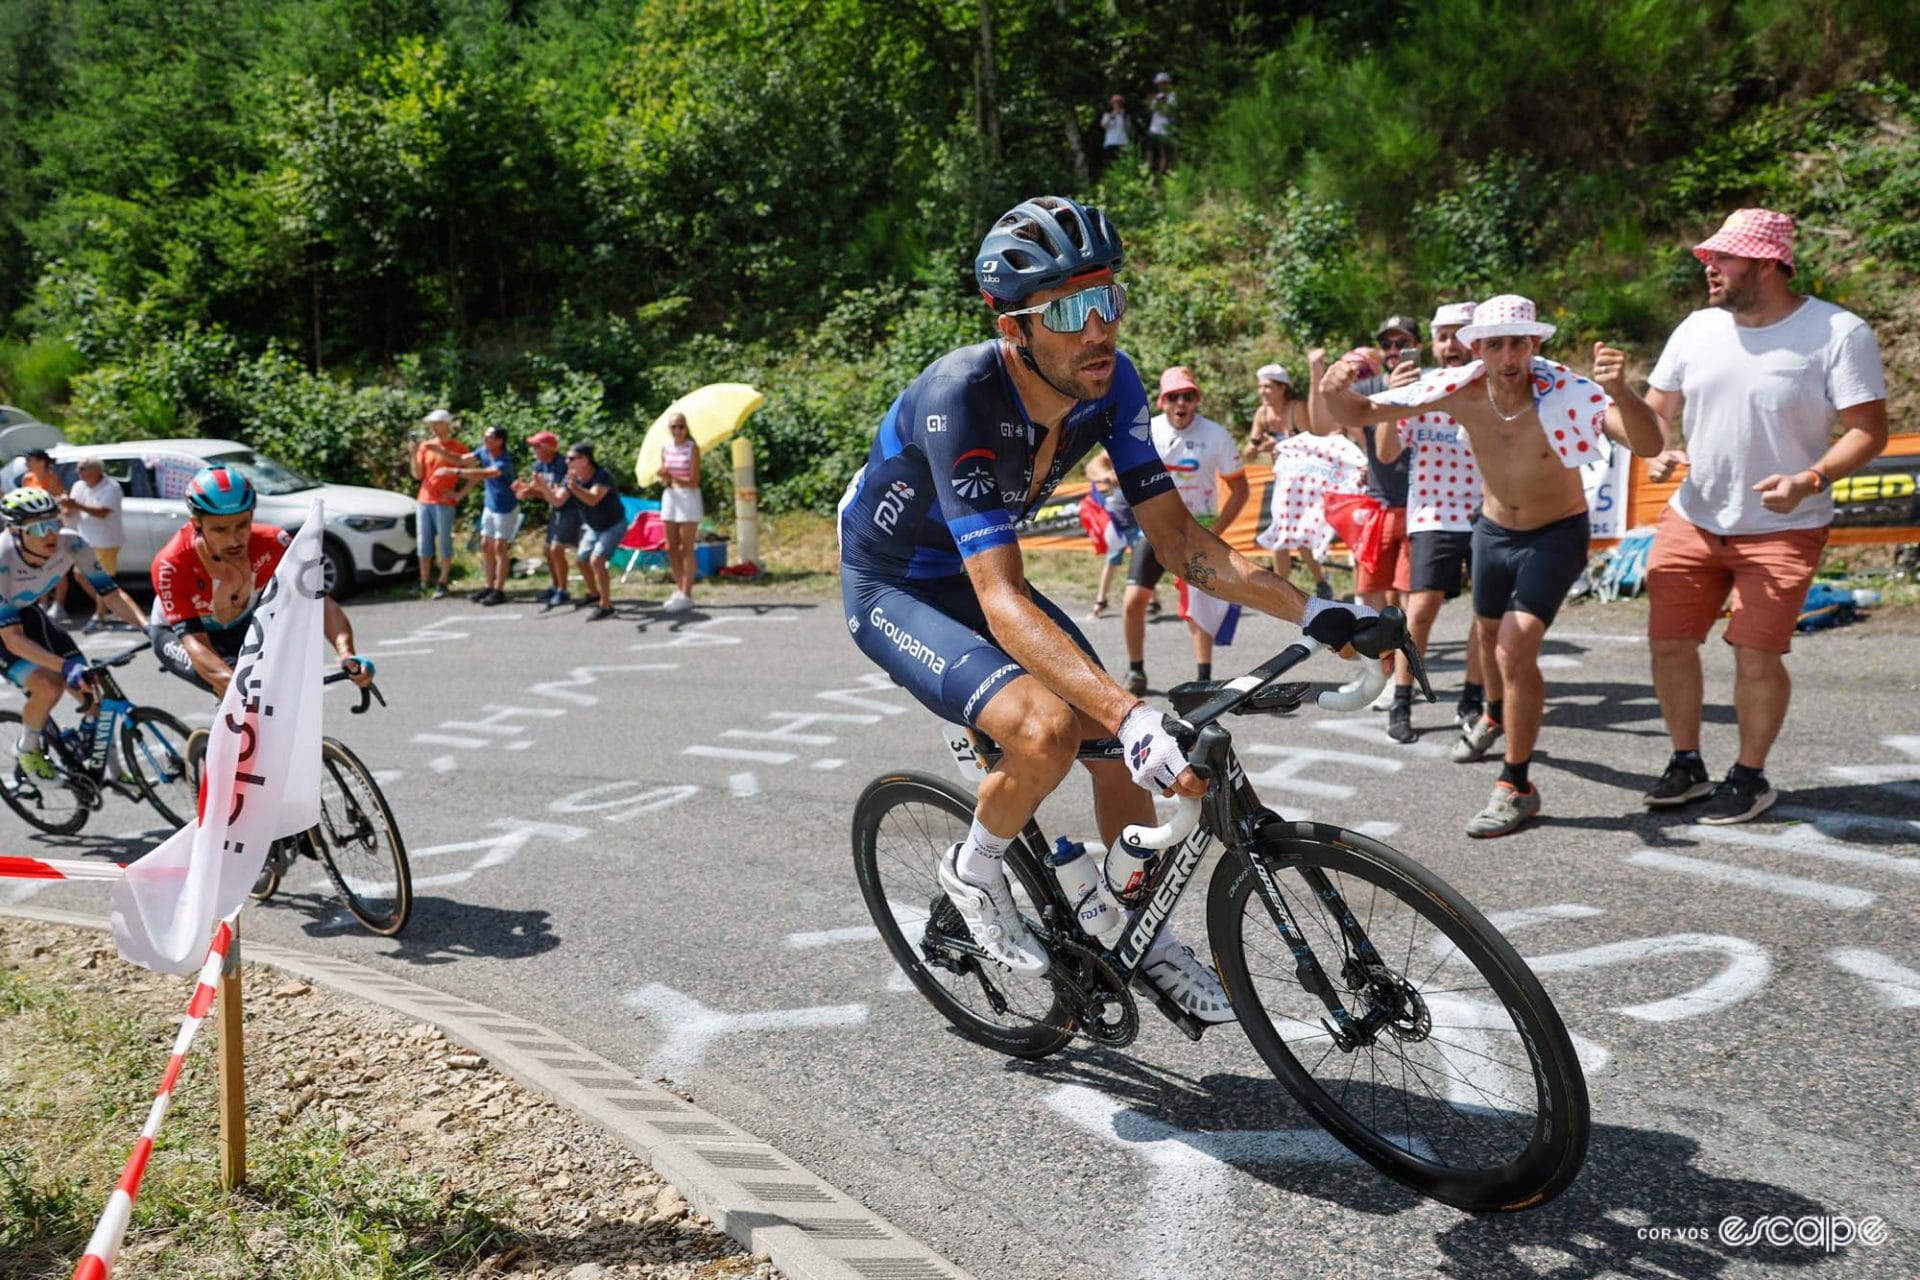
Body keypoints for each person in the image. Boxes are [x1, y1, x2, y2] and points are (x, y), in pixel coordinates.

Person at [835, 195, 1382, 1018]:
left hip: (980, 576)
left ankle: (1140, 934)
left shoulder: (1113, 383)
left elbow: (1181, 543)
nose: (1100, 329)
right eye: (1070, 309)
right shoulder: (960, 397)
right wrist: (1127, 714)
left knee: (1122, 746)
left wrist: (1311, 613)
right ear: (1013, 324)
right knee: (1049, 729)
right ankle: (973, 870)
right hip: (897, 584)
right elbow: (1000, 596)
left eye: (1109, 299)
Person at [1321, 294, 1664, 836]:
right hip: (1494, 531)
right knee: (1486, 639)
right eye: (1496, 344)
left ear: (1535, 345)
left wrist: (1622, 391)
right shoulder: (1460, 389)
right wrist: (1332, 388)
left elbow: (1649, 441)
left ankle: (1516, 783)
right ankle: (1492, 716)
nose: (1509, 356)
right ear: (1475, 348)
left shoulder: (1566, 390)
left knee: (1512, 647)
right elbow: (1360, 414)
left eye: (1519, 343)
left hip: (1556, 534)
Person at [1639, 209, 1888, 824]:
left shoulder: (1838, 331)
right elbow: (1654, 414)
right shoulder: (1696, 328)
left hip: (1785, 525)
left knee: (1755, 655)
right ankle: (1687, 762)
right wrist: (1658, 448)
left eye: (1723, 258)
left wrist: (1812, 478)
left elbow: (1869, 430)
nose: (1710, 268)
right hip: (1693, 517)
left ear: (1767, 263)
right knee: (1669, 644)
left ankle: (1749, 776)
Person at [1371, 302, 1495, 745]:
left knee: (1486, 615)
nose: (1450, 345)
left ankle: (1471, 698)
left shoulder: (1494, 385)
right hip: (1432, 513)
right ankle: (1402, 698)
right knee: (1419, 611)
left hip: (1487, 512)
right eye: (1442, 336)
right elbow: (1386, 454)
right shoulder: (1417, 388)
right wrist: (1390, 400)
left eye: (1459, 335)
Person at [147, 465, 371, 702]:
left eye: (242, 525)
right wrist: (232, 684)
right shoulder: (172, 564)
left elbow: (322, 604)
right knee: (233, 692)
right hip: (179, 636)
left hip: (240, 625)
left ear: (252, 515)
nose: (234, 539)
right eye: (220, 529)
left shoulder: (274, 543)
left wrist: (347, 653)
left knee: (277, 695)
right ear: (196, 524)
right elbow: (195, 642)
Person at [1309, 314, 1424, 710]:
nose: (1394, 351)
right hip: (1379, 506)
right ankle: (1381, 674)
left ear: (1418, 347)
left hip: (1420, 508)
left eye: (1402, 343)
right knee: (1370, 601)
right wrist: (1320, 375)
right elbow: (1323, 425)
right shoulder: (1373, 387)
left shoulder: (1435, 387)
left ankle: (1402, 686)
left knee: (1409, 603)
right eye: (1387, 345)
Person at [0, 489, 149, 780]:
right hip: (4, 630)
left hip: (28, 612)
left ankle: (115, 774)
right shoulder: (2, 560)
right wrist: (64, 666)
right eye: (39, 528)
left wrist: (150, 628)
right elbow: (13, 639)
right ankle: (27, 748)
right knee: (49, 686)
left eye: (54, 522)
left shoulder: (73, 544)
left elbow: (112, 594)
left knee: (89, 689)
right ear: (17, 532)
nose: (50, 534)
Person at [1120, 367, 1248, 693]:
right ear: (1163, 401)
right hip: (1155, 527)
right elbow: (1105, 465)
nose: (1181, 403)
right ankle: (1136, 671)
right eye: (1174, 396)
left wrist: (1216, 530)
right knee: (1134, 601)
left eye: (1188, 396)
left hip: (1198, 527)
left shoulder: (1216, 435)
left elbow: (1241, 490)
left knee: (1197, 604)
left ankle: (1203, 681)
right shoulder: (1146, 431)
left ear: (1196, 401)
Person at [1243, 363, 1330, 600]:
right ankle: (1284, 587)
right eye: (1261, 387)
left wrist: (1280, 444)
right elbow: (1249, 451)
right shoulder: (1262, 414)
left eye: (1268, 387)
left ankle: (1320, 580)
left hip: (1305, 480)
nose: (1263, 392)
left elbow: (1310, 443)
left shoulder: (1296, 408)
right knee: (1281, 530)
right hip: (1282, 479)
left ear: (1283, 388)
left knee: (1297, 534)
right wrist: (1255, 445)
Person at [439, 426, 518, 606]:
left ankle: (499, 590)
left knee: (500, 547)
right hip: (490, 506)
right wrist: (436, 449)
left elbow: (485, 474)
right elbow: (460, 459)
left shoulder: (504, 461)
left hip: (505, 508)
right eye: (485, 436)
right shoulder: (483, 451)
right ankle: (489, 586)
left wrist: (454, 472)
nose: (485, 440)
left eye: (489, 437)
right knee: (485, 545)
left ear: (500, 441)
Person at [409, 409, 470, 599]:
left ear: (446, 425)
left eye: (436, 423)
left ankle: (442, 582)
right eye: (431, 424)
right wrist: (413, 453)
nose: (432, 427)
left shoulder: (458, 447)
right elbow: (418, 475)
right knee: (423, 543)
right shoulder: (426, 446)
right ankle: (423, 582)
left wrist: (459, 493)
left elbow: (472, 471)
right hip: (424, 499)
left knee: (445, 542)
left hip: (444, 501)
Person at [61, 457, 127, 632]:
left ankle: (99, 615)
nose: (78, 472)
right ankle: (109, 605)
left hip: (106, 540)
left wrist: (76, 505)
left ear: (95, 470)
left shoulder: (111, 487)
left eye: (82, 468)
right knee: (80, 576)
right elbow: (73, 509)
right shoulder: (78, 486)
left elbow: (102, 513)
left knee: (101, 579)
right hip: (85, 540)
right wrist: (67, 508)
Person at [515, 431, 578, 608]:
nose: (534, 450)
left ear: (550, 448)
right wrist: (525, 492)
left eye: (538, 446)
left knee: (556, 549)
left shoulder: (562, 465)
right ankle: (556, 585)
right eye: (533, 446)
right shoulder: (539, 465)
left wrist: (540, 491)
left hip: (571, 509)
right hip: (556, 509)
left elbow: (559, 494)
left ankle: (563, 590)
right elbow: (541, 492)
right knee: (547, 550)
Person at [1083, 447, 1145, 619]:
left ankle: (1153, 601)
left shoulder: (1140, 467)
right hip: (1118, 525)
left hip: (1136, 525)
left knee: (1142, 563)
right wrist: (1104, 476)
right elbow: (1092, 467)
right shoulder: (1110, 469)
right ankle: (1101, 601)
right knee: (1110, 563)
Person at [565, 442, 623, 621]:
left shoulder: (601, 476)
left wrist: (575, 488)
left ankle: (606, 606)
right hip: (594, 526)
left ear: (585, 460)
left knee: (596, 561)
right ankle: (594, 594)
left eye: (572, 458)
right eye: (567, 458)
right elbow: (558, 499)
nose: (568, 462)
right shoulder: (572, 477)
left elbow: (593, 499)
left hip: (613, 525)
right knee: (582, 560)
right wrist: (536, 490)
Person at [653, 412, 703, 614]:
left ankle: (687, 592)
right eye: (674, 427)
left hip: (688, 497)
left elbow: (694, 479)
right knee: (671, 546)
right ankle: (680, 588)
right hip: (671, 496)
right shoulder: (665, 448)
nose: (678, 431)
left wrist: (671, 476)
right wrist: (664, 477)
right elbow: (665, 480)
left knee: (686, 547)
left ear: (687, 428)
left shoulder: (693, 449)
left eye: (681, 427)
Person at [1145, 73, 1176, 173]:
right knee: (1149, 151)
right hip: (1154, 128)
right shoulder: (1157, 96)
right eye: (1159, 84)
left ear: (1168, 84)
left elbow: (1171, 110)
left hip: (1166, 129)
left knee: (1164, 153)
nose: (1161, 86)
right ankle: (1148, 172)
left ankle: (1162, 174)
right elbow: (1151, 110)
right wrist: (1153, 101)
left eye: (1163, 83)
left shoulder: (1173, 96)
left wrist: (1163, 102)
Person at [1099, 94, 1132, 167]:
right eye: (1115, 102)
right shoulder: (1107, 115)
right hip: (1111, 142)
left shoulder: (1126, 116)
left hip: (1123, 142)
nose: (1118, 104)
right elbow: (1103, 126)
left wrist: (1123, 117)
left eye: (1119, 102)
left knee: (1124, 164)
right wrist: (1112, 116)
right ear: (1112, 104)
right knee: (1111, 165)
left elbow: (1128, 129)